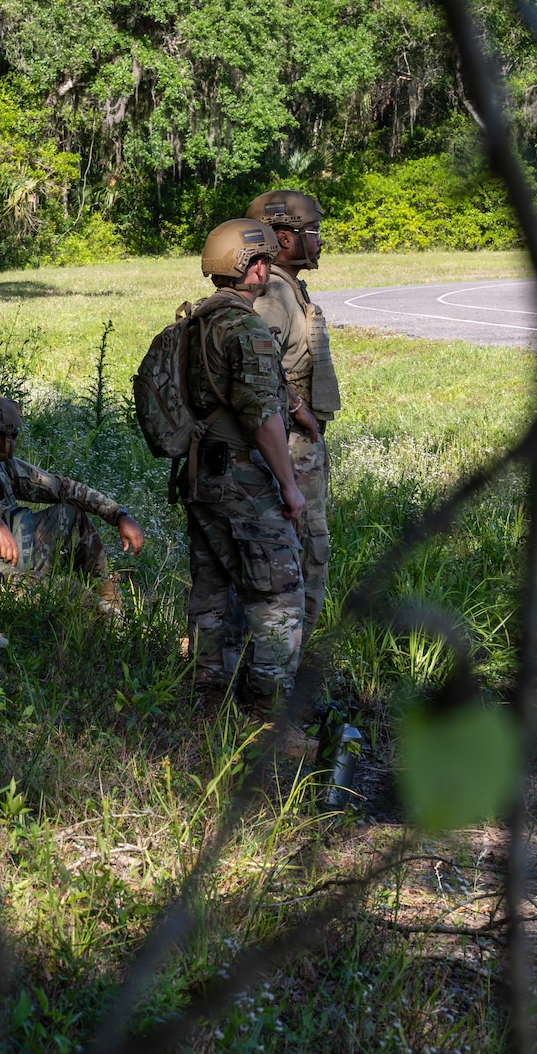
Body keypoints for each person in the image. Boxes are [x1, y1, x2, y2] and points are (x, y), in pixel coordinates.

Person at [181, 219, 309, 722]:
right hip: (241, 481)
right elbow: (261, 417)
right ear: (252, 267)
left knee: (212, 589)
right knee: (279, 596)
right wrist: (289, 486)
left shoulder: (196, 321)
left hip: (199, 477)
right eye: (264, 260)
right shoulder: (246, 327)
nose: (267, 268)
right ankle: (266, 715)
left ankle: (208, 702)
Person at [0, 395, 145, 605]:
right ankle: (114, 622)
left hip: (0, 556)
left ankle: (112, 602)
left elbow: (61, 487)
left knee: (69, 515)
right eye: (13, 434)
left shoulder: (0, 467)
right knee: (67, 591)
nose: (16, 439)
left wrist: (117, 514)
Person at [245, 190, 342, 655]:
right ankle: (281, 667)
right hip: (287, 448)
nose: (320, 241)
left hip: (297, 446)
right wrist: (296, 405)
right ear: (285, 238)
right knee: (303, 557)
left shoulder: (288, 286)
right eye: (314, 232)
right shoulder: (276, 294)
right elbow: (252, 362)